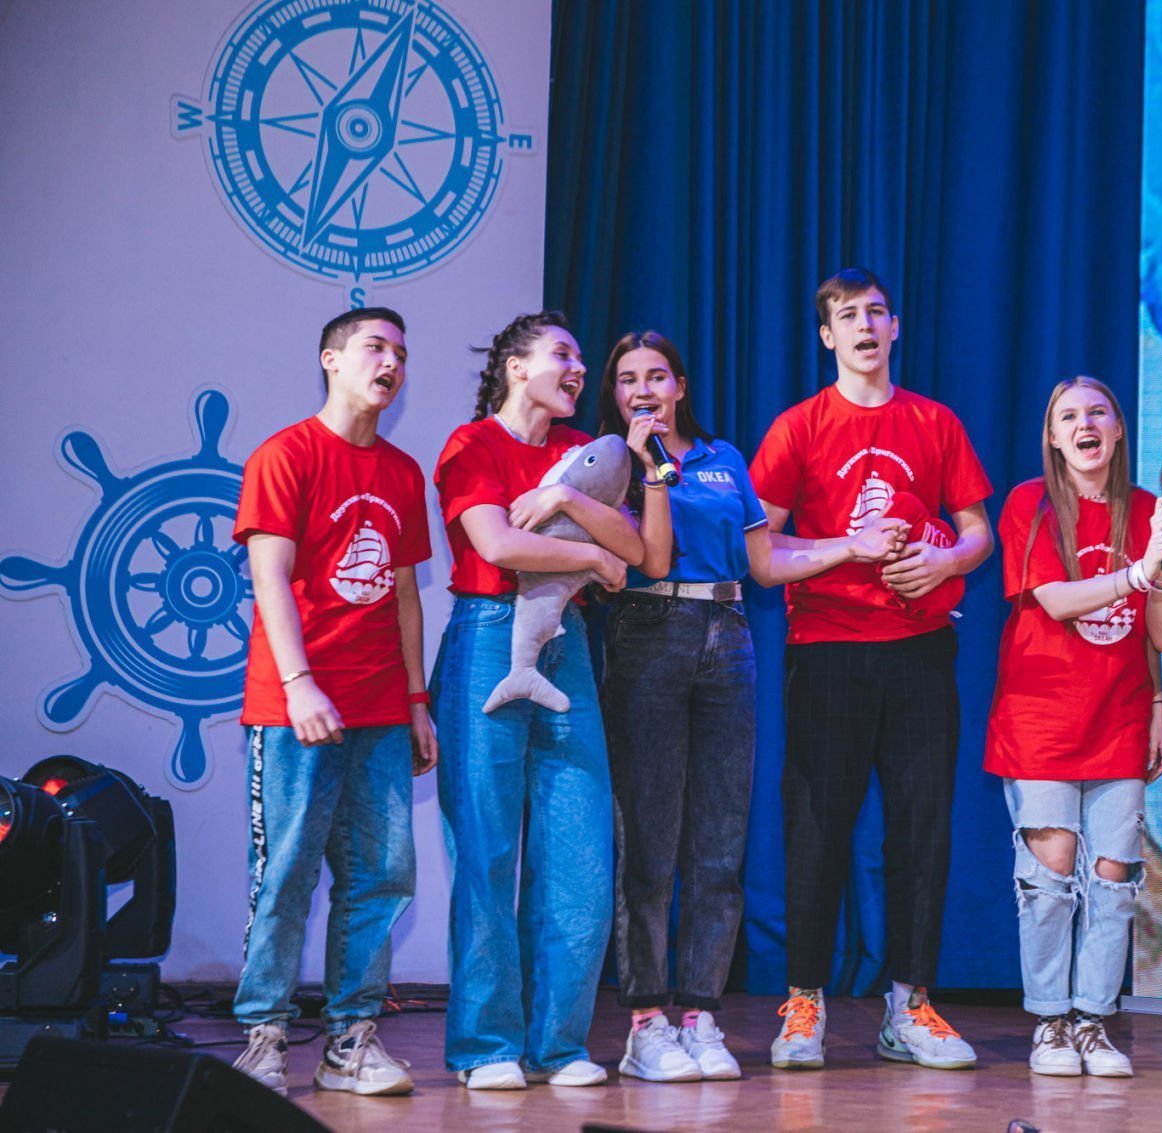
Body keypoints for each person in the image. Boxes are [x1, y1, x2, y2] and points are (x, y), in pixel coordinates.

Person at [596, 330, 906, 1083]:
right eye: (628, 379)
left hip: (728, 633)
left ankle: (700, 1014)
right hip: (647, 630)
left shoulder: (724, 458)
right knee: (650, 841)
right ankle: (645, 1022)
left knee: (719, 839)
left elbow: (765, 564)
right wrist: (642, 468)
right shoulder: (609, 465)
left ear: (680, 386)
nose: (643, 390)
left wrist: (851, 546)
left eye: (657, 376)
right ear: (616, 395)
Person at [749, 267, 995, 1071]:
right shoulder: (798, 427)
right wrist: (846, 547)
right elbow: (761, 553)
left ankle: (910, 1004)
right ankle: (805, 1001)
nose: (864, 325)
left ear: (895, 328)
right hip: (827, 650)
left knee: (922, 829)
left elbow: (977, 533)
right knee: (816, 828)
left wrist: (944, 561)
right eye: (848, 315)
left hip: (920, 650)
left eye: (877, 312)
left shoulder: (935, 421)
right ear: (827, 335)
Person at [429, 312, 643, 1090]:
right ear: (516, 367)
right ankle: (487, 1045)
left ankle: (558, 1044)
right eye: (562, 354)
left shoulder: (581, 453)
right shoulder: (472, 444)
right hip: (489, 635)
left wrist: (578, 520)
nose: (579, 367)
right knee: (487, 847)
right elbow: (498, 543)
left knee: (579, 847)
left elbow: (635, 552)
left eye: (581, 356)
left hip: (566, 643)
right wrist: (590, 554)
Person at [231, 307, 435, 1097]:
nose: (392, 363)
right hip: (297, 708)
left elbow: (406, 595)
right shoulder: (284, 454)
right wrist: (299, 683)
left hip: (380, 705)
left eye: (401, 353)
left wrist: (416, 699)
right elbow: (270, 578)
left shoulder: (402, 471)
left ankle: (351, 1040)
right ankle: (264, 1036)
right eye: (375, 347)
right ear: (331, 359)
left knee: (382, 875)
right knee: (285, 873)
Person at [985, 376, 1162, 1077]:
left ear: (1119, 429)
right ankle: (1050, 1022)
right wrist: (1137, 575)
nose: (1084, 424)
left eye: (1098, 412)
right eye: (1068, 416)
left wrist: (1158, 704)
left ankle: (1094, 1020)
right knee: (1049, 874)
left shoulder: (1151, 511)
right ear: (1052, 436)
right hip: (1040, 714)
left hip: (1121, 715)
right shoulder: (1029, 504)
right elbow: (1056, 600)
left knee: (1115, 875)